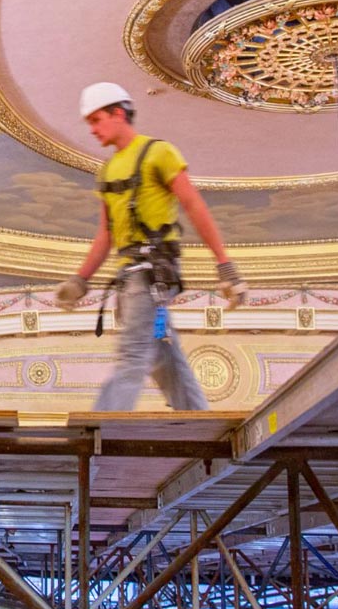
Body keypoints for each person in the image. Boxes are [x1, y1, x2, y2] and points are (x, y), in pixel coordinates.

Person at [53, 81, 248, 411]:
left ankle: (99, 429)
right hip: (130, 278)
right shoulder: (108, 170)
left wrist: (225, 265)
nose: (92, 130)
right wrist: (79, 280)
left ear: (118, 113)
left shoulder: (159, 153)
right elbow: (106, 234)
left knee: (132, 354)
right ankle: (197, 421)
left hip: (150, 275)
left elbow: (194, 206)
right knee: (161, 353)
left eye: (96, 120)